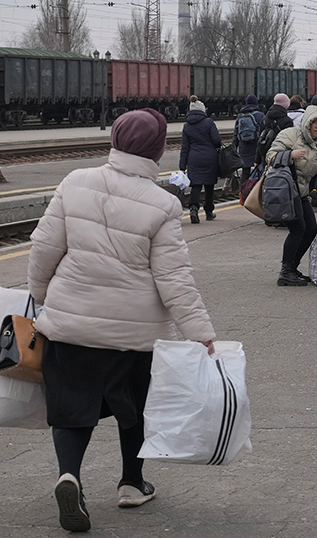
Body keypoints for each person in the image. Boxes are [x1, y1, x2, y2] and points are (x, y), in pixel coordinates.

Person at [27, 108, 216, 533]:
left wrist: (42, 297)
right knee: (135, 409)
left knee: (72, 407)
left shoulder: (75, 182)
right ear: (154, 150)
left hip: (71, 327)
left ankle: (69, 475)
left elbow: (42, 249)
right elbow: (174, 279)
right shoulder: (163, 203)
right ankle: (132, 483)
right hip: (133, 336)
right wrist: (200, 333)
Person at [265, 105, 317, 286]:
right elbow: (270, 156)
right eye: (314, 122)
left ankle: (292, 267)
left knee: (310, 230)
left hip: (301, 192)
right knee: (298, 228)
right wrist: (290, 154)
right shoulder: (290, 135)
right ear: (307, 122)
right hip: (285, 191)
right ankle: (285, 271)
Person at [179, 95, 221, 223]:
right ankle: (208, 211)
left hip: (194, 158)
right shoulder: (209, 122)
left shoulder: (187, 126)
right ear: (203, 110)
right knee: (209, 185)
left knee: (196, 185)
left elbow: (184, 147)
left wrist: (182, 166)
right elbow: (217, 141)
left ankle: (193, 209)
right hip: (209, 157)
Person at [232, 94, 264, 186]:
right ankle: (256, 192)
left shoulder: (240, 116)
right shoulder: (260, 115)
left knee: (245, 172)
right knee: (259, 170)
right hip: (256, 147)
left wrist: (234, 147)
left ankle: (242, 192)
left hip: (244, 147)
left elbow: (236, 134)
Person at [254, 92, 294, 166]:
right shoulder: (287, 121)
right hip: (281, 156)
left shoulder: (264, 119)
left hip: (266, 156)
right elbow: (289, 142)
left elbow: (260, 140)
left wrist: (257, 160)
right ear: (286, 105)